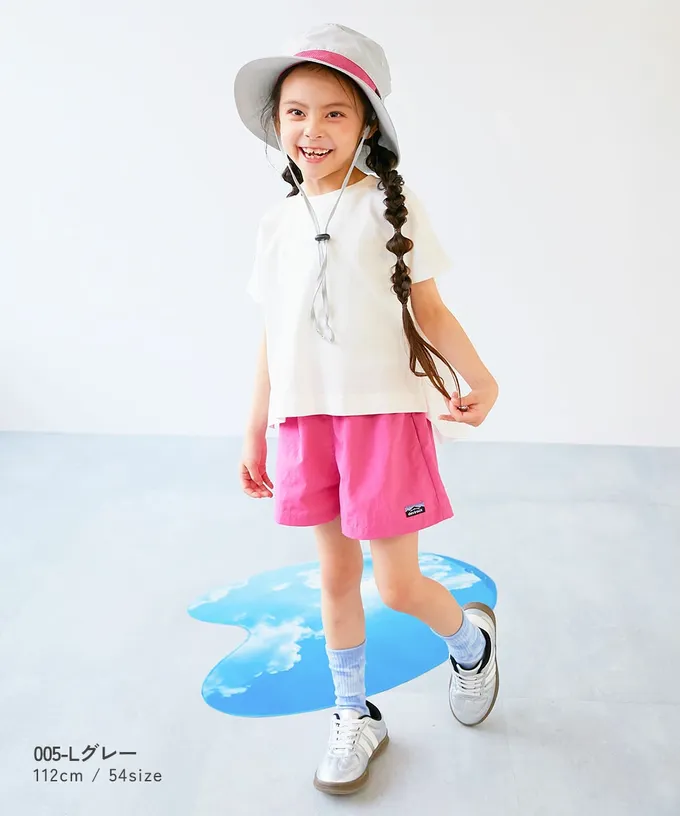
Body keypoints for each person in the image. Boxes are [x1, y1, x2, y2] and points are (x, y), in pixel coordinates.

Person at [234, 23, 500, 795]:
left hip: (382, 416)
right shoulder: (276, 224)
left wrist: (481, 379)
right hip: (305, 422)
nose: (311, 129)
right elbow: (273, 335)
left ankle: (472, 644)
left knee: (400, 585)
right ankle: (354, 713)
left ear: (366, 126)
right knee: (333, 576)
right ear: (276, 122)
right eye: (296, 112)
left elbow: (431, 310)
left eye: (334, 113)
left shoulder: (391, 206)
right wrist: (255, 426)